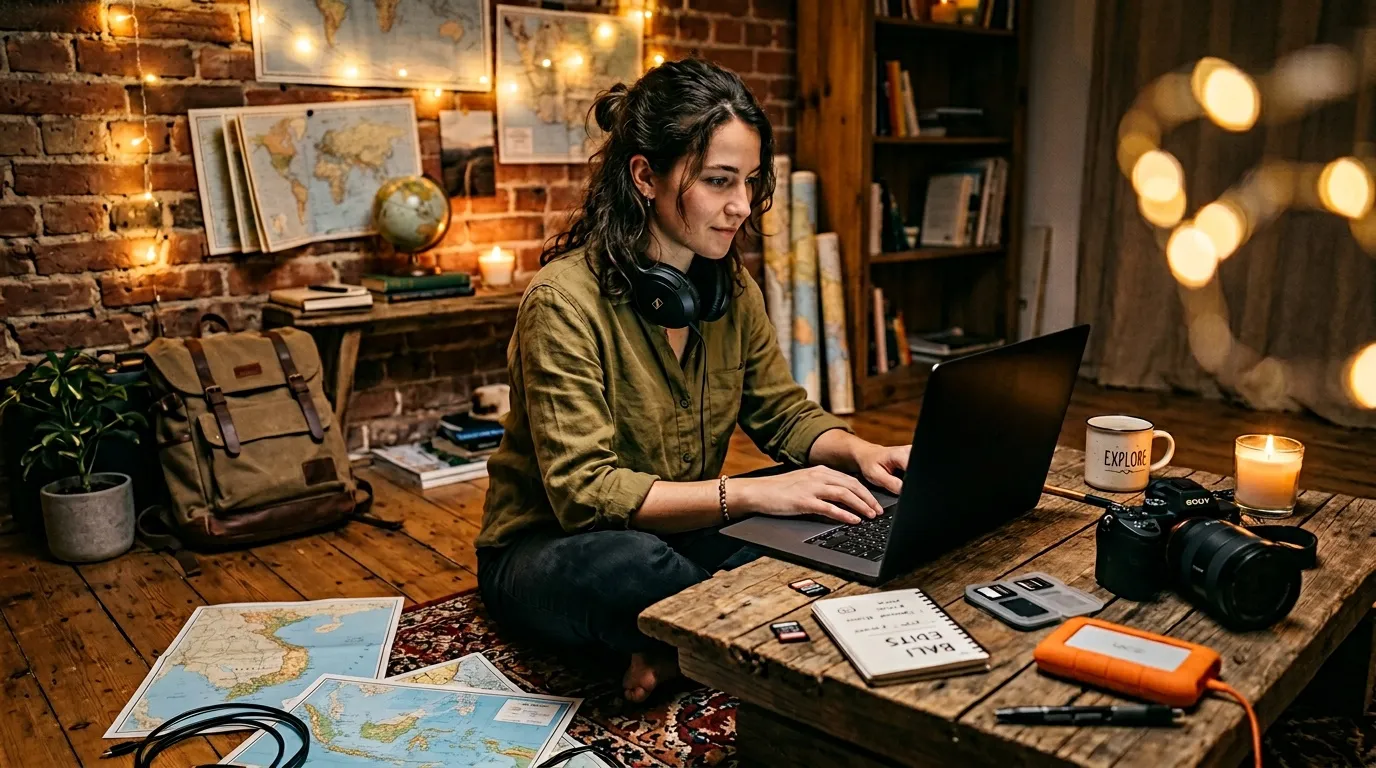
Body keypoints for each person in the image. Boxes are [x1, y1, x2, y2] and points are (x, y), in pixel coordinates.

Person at [476, 58, 910, 704]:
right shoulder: (562, 301)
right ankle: (713, 628)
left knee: (852, 496)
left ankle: (677, 644)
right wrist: (755, 498)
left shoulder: (730, 287)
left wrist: (862, 453)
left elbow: (783, 414)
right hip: (557, 547)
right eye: (717, 181)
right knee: (633, 566)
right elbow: (586, 494)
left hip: (679, 525)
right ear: (645, 176)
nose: (740, 206)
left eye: (750, 182)